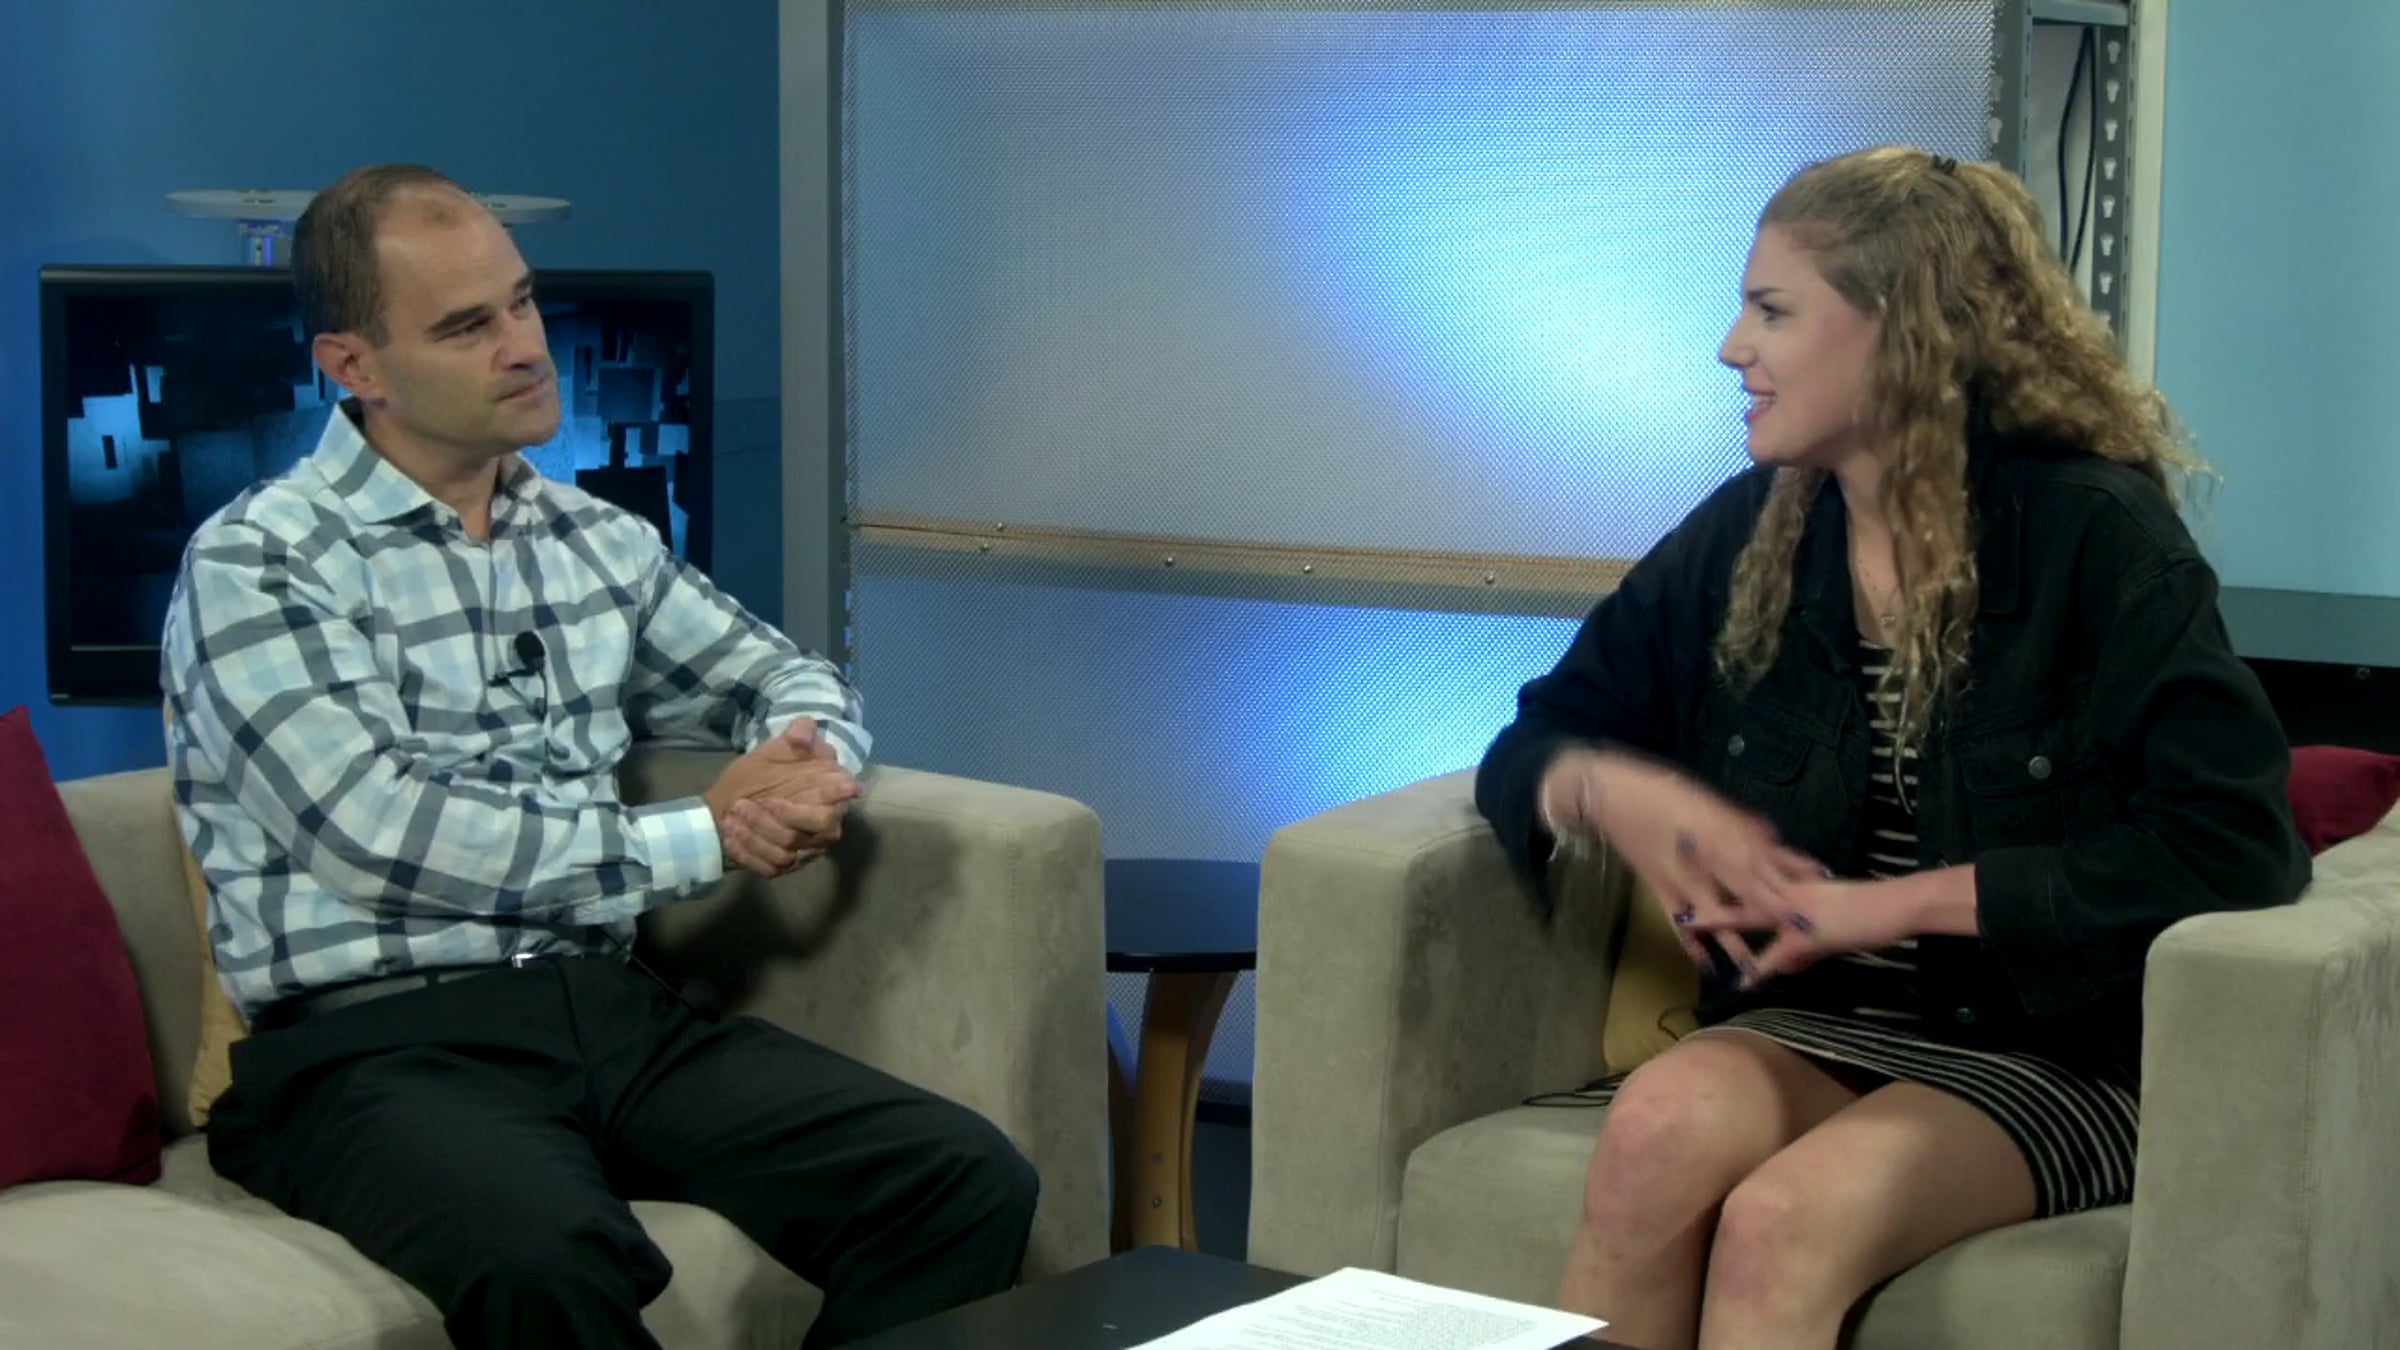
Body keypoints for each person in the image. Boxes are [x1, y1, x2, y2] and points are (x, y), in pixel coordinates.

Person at [162, 164, 1037, 1350]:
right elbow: (379, 833)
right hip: (367, 1050)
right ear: (353, 365)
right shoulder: (260, 561)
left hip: (603, 1008)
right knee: (549, 1255)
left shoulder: (594, 539)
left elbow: (791, 677)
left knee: (956, 1176)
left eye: (522, 301)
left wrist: (804, 766)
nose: (524, 345)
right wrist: (706, 835)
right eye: (466, 326)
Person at [1474, 145, 2309, 1350]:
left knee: (1785, 1221)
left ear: (1901, 330)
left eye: (1772, 311)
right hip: (1814, 1021)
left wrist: (1899, 904)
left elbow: (2233, 845)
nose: (1731, 348)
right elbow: (1543, 731)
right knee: (1653, 1130)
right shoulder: (1752, 533)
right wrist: (1613, 793)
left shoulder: (2094, 536)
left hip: (2050, 1043)